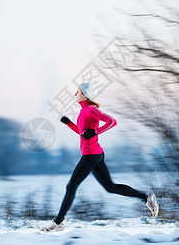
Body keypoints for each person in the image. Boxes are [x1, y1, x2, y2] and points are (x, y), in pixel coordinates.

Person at [40, 82, 158, 232]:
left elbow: (112, 121)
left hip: (91, 154)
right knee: (110, 187)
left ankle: (57, 223)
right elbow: (82, 133)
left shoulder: (90, 110)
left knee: (71, 186)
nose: (75, 94)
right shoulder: (83, 111)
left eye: (77, 92)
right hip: (95, 154)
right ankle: (147, 198)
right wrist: (69, 123)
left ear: (85, 95)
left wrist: (95, 132)